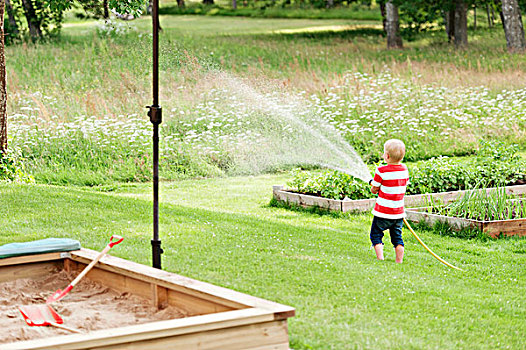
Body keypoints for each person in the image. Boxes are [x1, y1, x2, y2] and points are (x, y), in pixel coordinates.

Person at [368, 139, 409, 263]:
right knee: (397, 237)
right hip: (398, 213)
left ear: (387, 156)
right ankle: (399, 261)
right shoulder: (404, 170)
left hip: (382, 212)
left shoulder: (381, 171)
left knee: (376, 234)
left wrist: (372, 184)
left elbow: (374, 190)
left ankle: (380, 258)